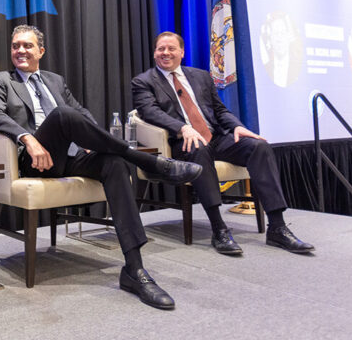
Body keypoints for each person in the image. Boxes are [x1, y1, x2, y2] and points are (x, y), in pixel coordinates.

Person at [0, 25, 204, 310]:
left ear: (41, 51)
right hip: (35, 161)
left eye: (27, 45)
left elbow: (82, 113)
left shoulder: (55, 80)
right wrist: (28, 139)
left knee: (113, 163)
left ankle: (134, 270)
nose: (20, 51)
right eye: (15, 46)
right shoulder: (2, 80)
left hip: (70, 156)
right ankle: (148, 162)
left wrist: (91, 140)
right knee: (62, 115)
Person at [131, 31, 314, 255]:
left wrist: (237, 126)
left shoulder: (200, 77)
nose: (165, 53)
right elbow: (150, 112)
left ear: (182, 52)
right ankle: (219, 229)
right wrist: (182, 127)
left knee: (259, 146)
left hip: (215, 137)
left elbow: (219, 111)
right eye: (161, 49)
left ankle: (277, 227)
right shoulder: (144, 81)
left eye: (171, 48)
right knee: (198, 147)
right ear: (154, 52)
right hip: (182, 143)